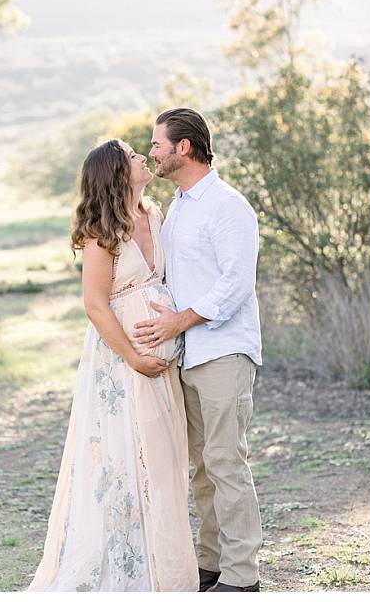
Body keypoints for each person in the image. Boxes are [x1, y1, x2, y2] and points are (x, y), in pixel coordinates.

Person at [28, 139, 199, 592]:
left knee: (163, 461)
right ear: (116, 173)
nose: (143, 156)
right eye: (131, 155)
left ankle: (166, 568)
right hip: (120, 362)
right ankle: (128, 569)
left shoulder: (156, 216)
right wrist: (133, 355)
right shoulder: (104, 230)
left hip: (162, 363)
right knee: (124, 456)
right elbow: (95, 304)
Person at [134, 107, 262, 592]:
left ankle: (243, 575)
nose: (153, 153)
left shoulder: (228, 206)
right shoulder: (181, 205)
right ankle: (211, 563)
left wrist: (177, 322)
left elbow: (235, 284)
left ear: (183, 148)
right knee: (203, 468)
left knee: (227, 461)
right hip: (186, 354)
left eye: (157, 145)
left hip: (224, 352)